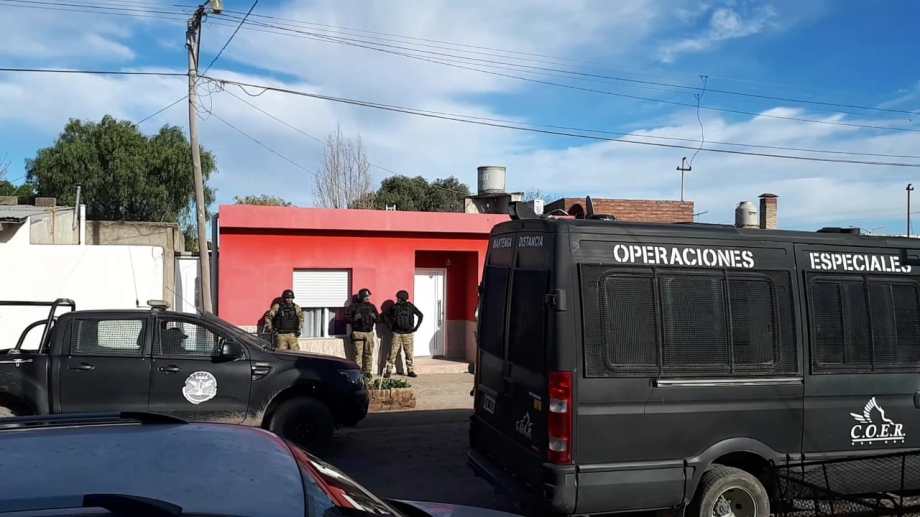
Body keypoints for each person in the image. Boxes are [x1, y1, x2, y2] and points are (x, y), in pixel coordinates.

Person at [384, 290, 423, 378]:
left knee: (394, 353)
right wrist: (416, 328)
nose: (396, 299)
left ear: (400, 298)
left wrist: (390, 327)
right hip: (404, 333)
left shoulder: (396, 307)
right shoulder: (408, 306)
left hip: (398, 333)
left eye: (398, 297)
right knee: (407, 353)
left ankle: (389, 371)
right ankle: (410, 371)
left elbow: (385, 315)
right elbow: (421, 315)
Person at [347, 288, 378, 375]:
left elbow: (378, 319)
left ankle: (368, 372)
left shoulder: (372, 306)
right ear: (361, 297)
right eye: (366, 296)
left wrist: (374, 317)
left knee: (368, 354)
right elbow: (347, 318)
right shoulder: (353, 306)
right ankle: (358, 373)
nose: (368, 298)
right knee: (358, 355)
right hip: (358, 333)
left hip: (369, 333)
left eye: (368, 296)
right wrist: (355, 318)